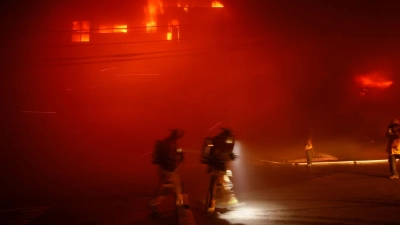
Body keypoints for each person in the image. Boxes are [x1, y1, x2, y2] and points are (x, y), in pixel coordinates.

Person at [202, 128, 240, 216]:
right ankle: (211, 207)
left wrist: (230, 157)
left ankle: (221, 204)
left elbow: (223, 154)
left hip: (217, 167)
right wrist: (230, 157)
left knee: (223, 185)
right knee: (216, 187)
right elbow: (219, 155)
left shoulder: (218, 140)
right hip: (218, 168)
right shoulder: (221, 142)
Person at [149, 129, 185, 213]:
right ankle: (180, 205)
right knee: (177, 187)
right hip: (171, 170)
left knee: (164, 188)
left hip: (164, 169)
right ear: (175, 135)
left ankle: (154, 204)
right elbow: (173, 156)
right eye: (178, 136)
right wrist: (180, 157)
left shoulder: (165, 142)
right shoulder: (172, 144)